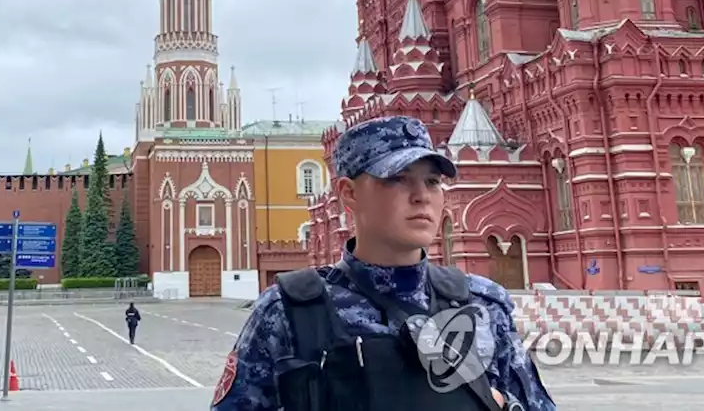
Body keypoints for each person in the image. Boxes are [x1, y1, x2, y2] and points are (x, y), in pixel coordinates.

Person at [210, 115, 556, 411]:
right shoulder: (290, 310)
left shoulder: (481, 303)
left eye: (432, 181)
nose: (421, 195)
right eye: (398, 178)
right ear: (349, 193)